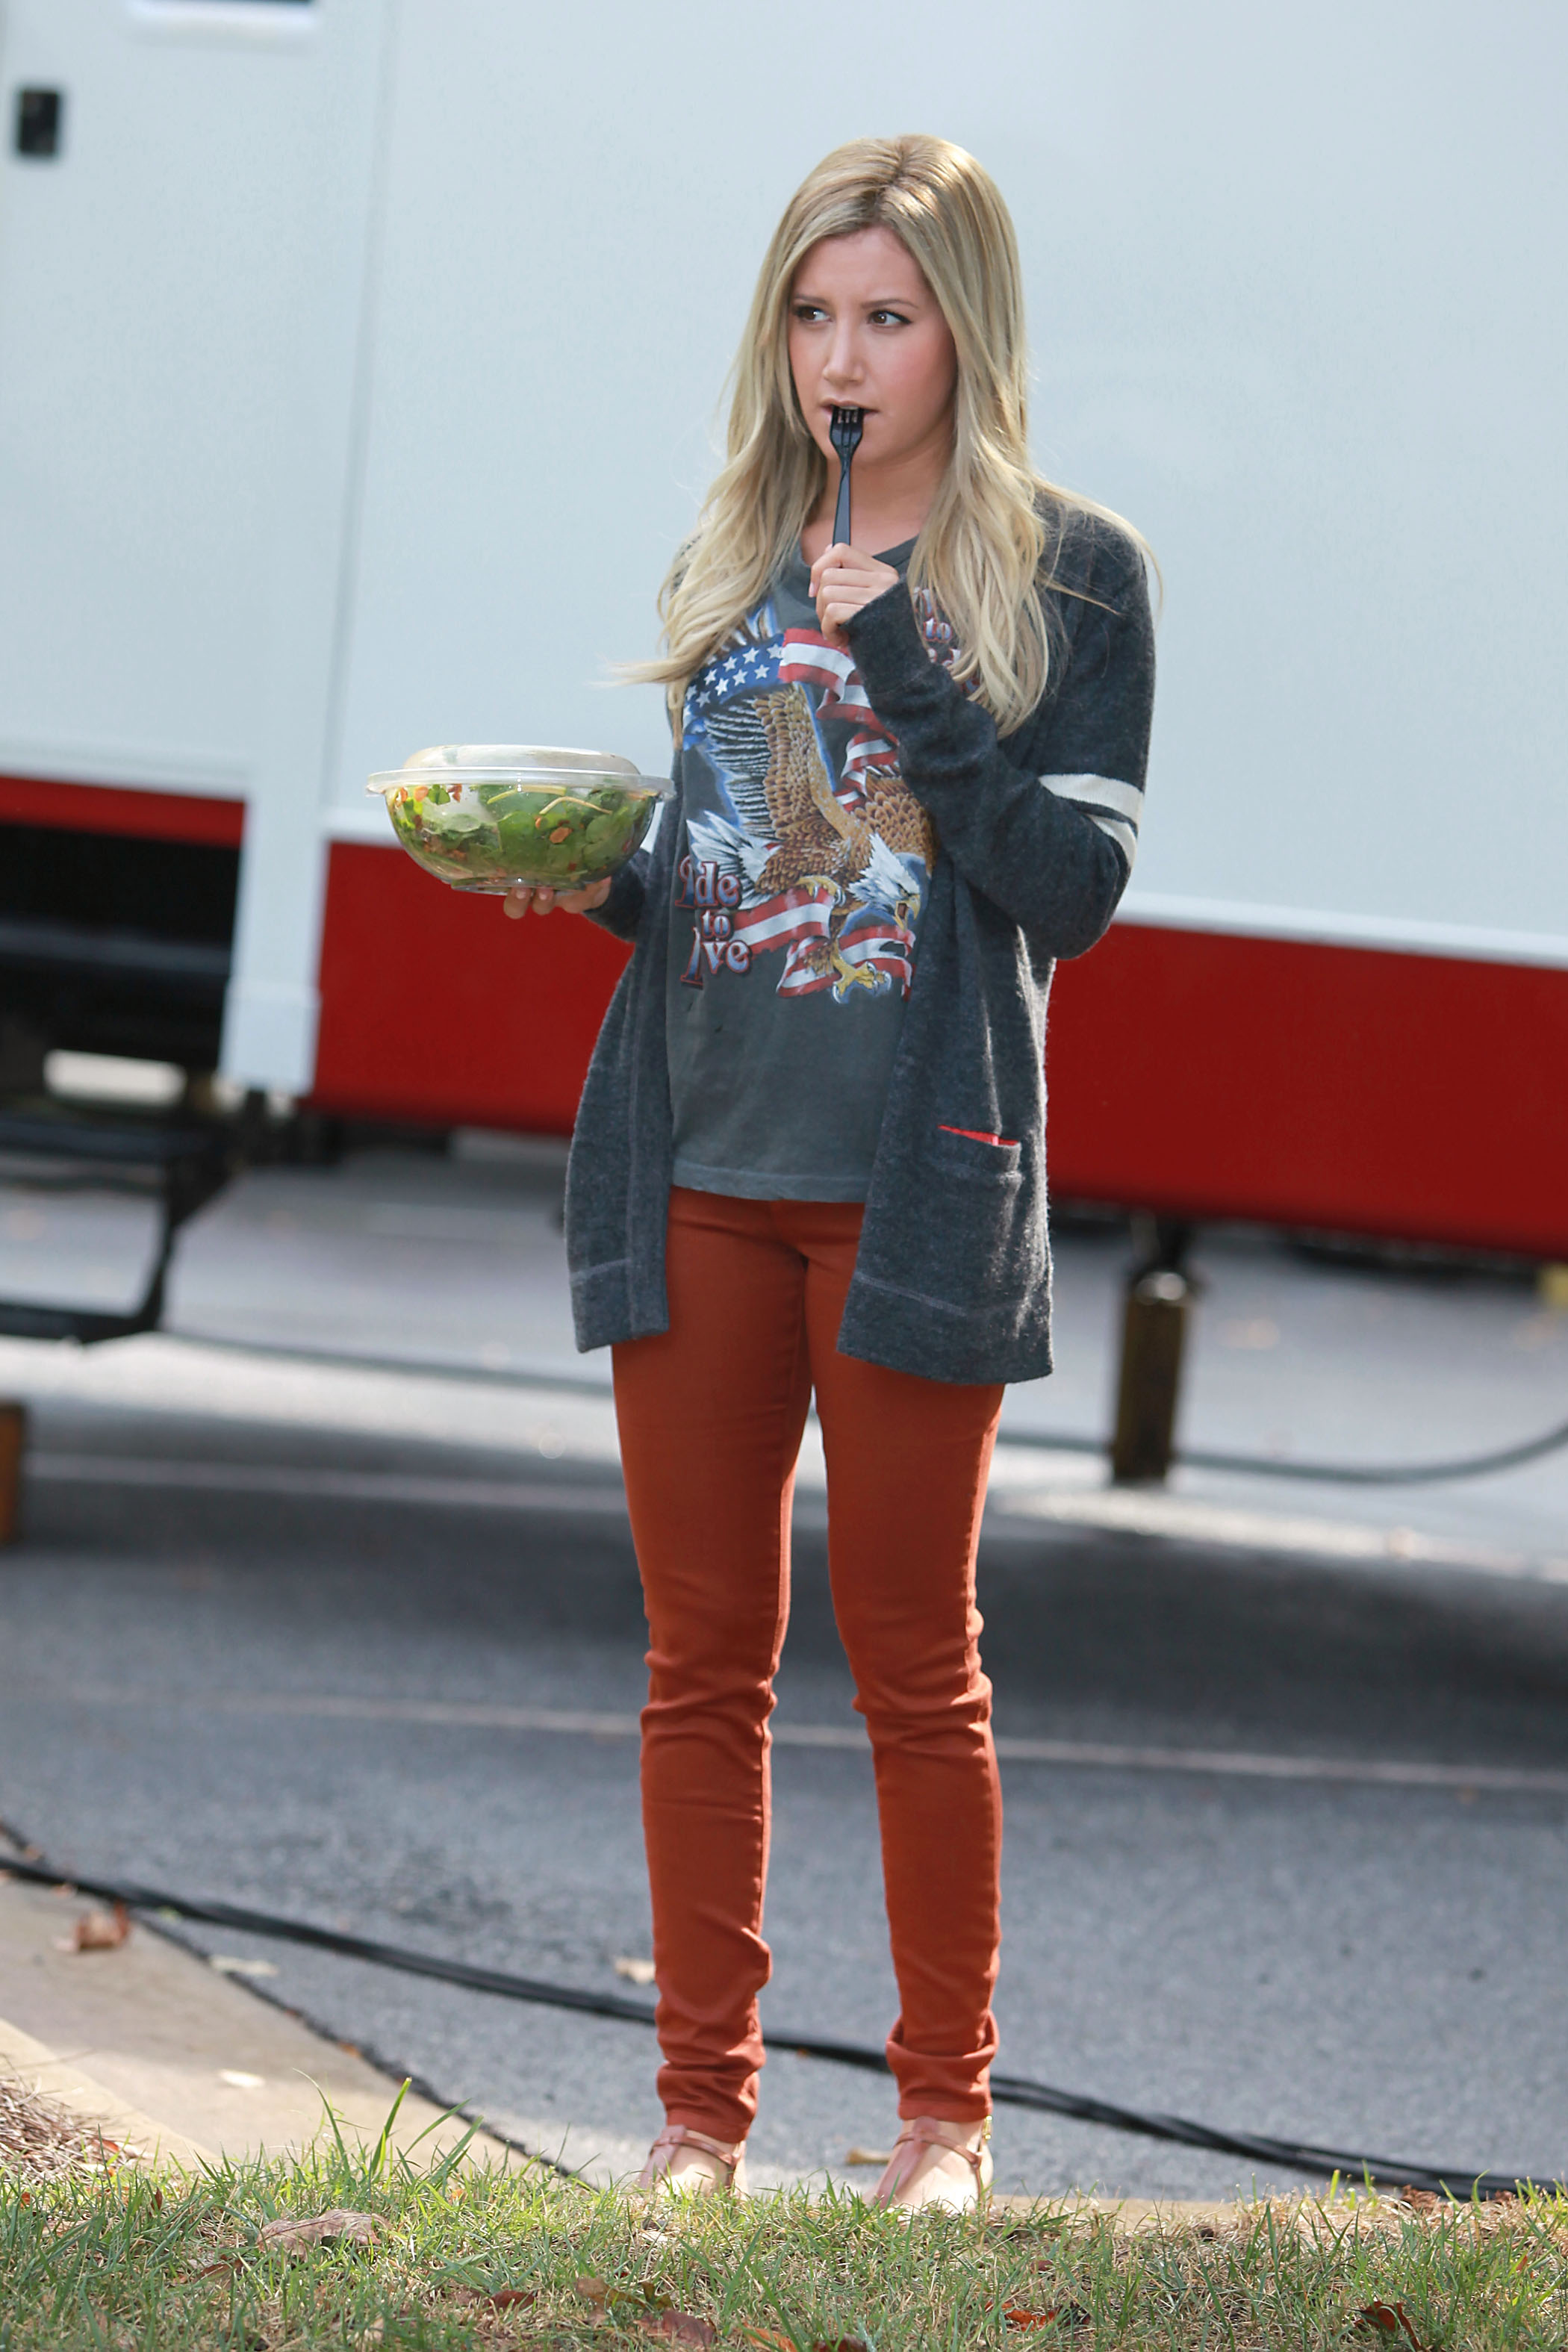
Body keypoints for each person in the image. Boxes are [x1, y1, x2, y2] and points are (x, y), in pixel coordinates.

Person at [504, 134, 1155, 2210]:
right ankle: (697, 2122)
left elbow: (1069, 895)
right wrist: (586, 877)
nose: (841, 359)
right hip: (695, 1167)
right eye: (811, 314)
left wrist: (914, 674)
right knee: (697, 1666)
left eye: (886, 316)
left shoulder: (1072, 574)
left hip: (913, 1190)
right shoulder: (741, 545)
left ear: (968, 329)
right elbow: (742, 879)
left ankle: (946, 2125)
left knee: (913, 1667)